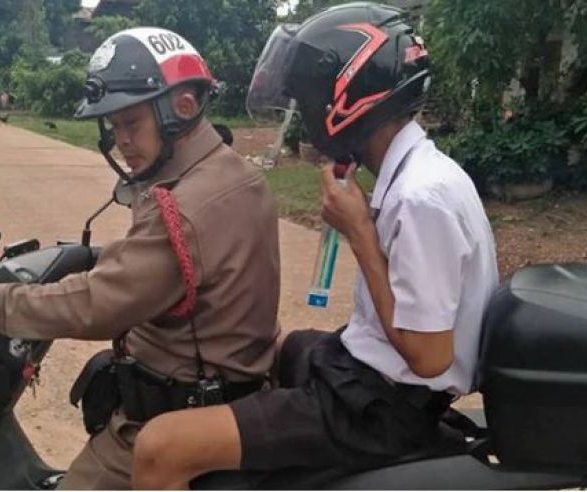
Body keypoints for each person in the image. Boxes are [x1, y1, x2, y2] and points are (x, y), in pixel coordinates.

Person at [130, 3, 499, 489]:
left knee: (160, 448)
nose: (303, 114)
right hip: (369, 377)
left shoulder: (420, 198)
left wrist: (360, 233)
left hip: (382, 408)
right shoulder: (412, 173)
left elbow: (429, 357)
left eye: (305, 99)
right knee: (275, 348)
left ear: (347, 97)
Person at [0, 27, 281, 489]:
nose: (122, 141)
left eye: (131, 123)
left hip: (170, 421)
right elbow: (178, 270)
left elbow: (94, 305)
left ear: (179, 108)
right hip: (228, 398)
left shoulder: (183, 206)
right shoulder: (231, 174)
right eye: (114, 127)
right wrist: (105, 257)